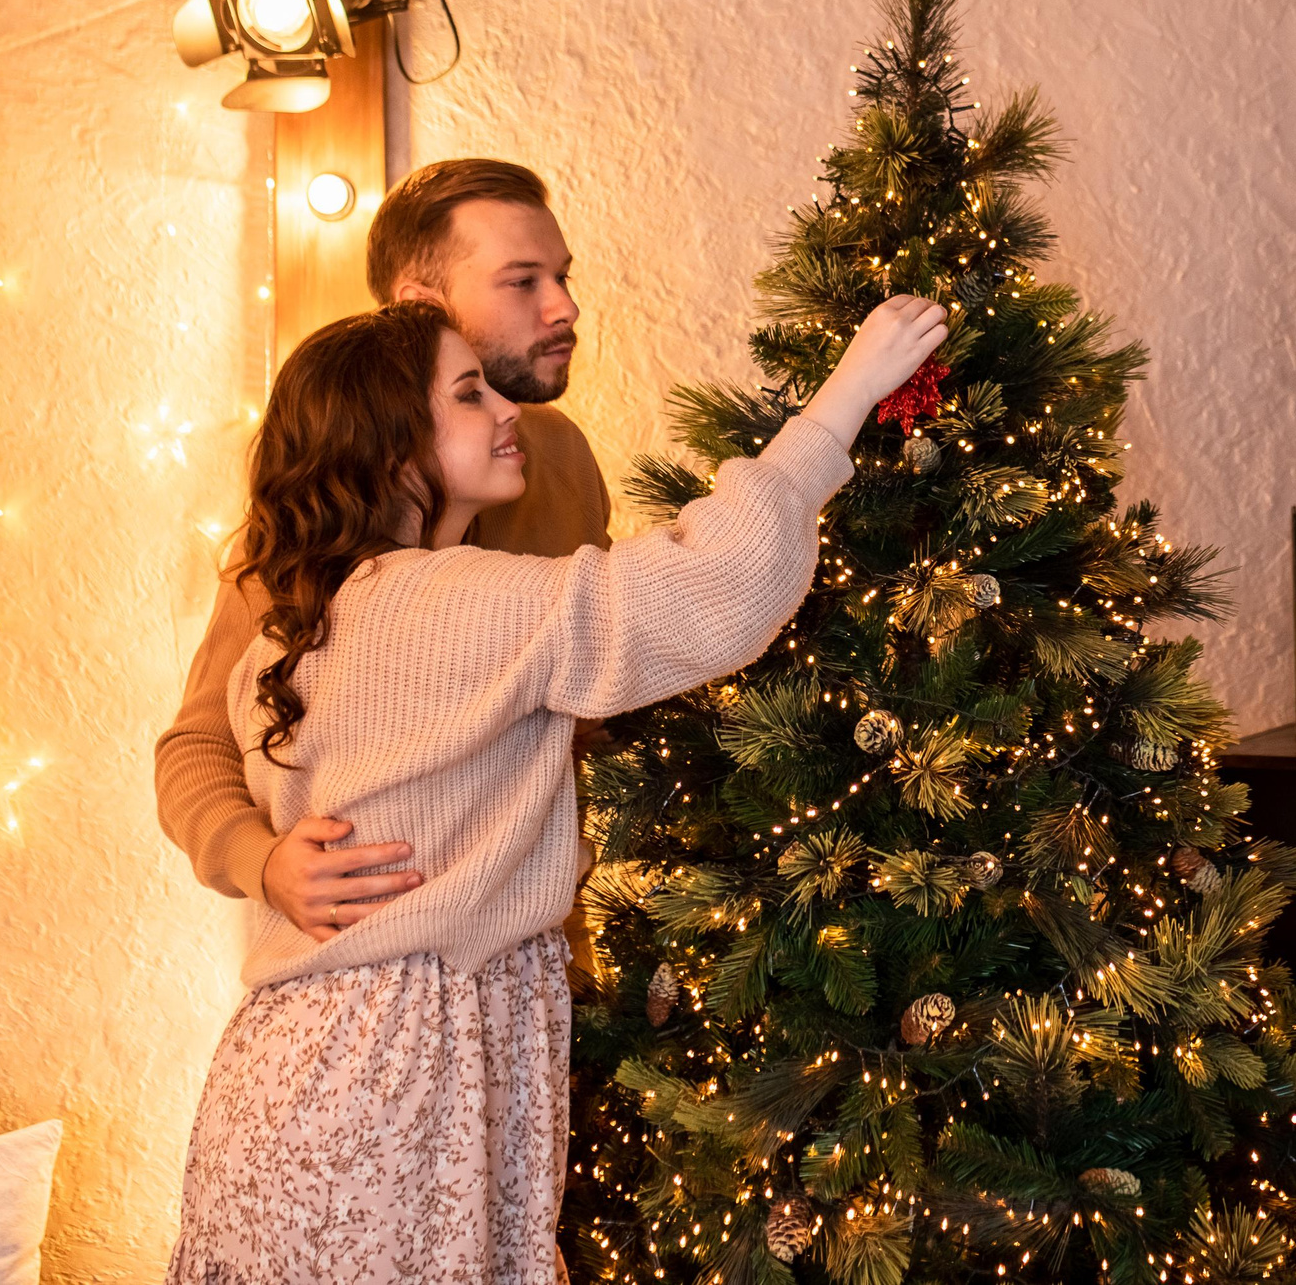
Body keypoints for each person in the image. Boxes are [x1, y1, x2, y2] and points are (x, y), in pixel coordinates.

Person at [167, 292, 945, 1283]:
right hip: (388, 1082)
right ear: (393, 444)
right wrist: (847, 394)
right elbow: (706, 586)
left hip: (314, 1079)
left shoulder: (334, 610)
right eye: (466, 393)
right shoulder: (434, 603)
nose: (505, 411)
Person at [156, 159, 608, 940]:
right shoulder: (327, 502)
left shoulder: (561, 454)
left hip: (539, 964)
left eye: (561, 276)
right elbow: (197, 746)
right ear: (419, 304)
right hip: (367, 980)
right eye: (522, 281)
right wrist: (260, 860)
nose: (563, 307)